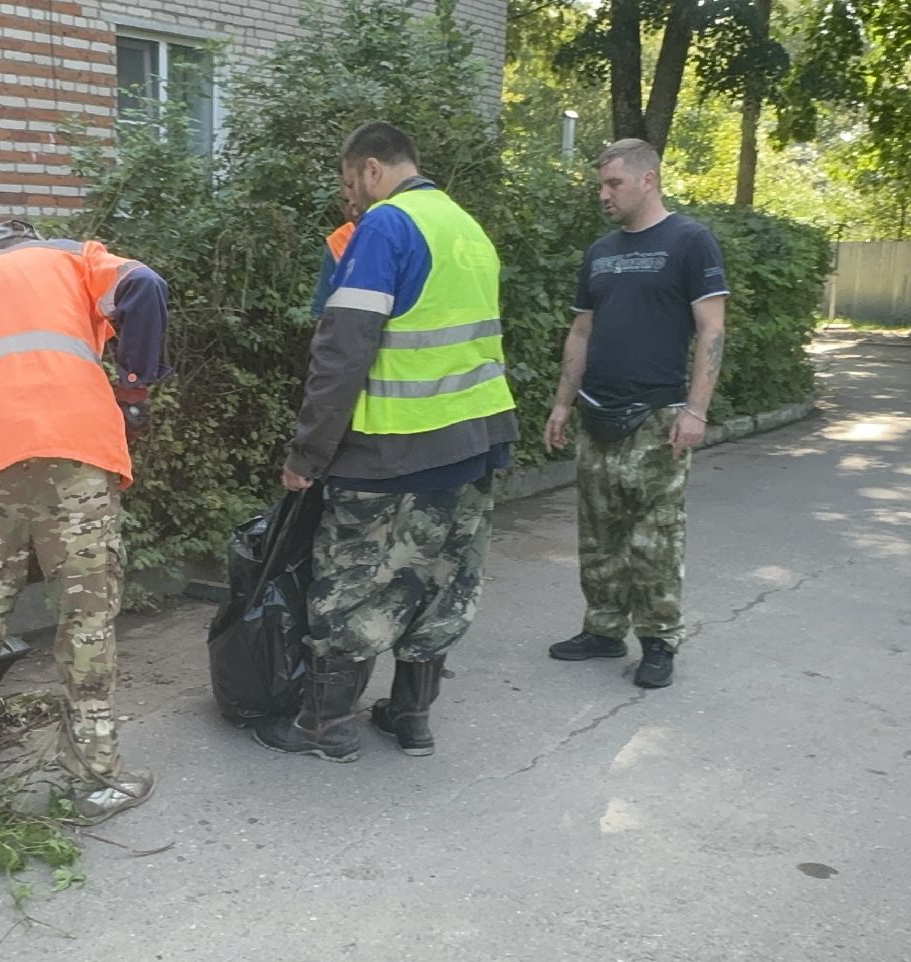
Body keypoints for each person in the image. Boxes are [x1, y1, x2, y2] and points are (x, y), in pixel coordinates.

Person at [257, 121, 520, 762]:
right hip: (477, 440)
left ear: (372, 170)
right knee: (441, 583)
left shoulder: (387, 226)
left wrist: (307, 455)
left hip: (395, 448)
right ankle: (410, 718)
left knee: (350, 587)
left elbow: (342, 351)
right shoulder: (465, 226)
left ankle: (325, 726)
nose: (353, 200)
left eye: (353, 184)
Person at [0, 219, 171, 819]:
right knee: (85, 615)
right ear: (33, 241)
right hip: (73, 449)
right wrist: (135, 389)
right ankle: (94, 778)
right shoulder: (71, 258)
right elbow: (145, 286)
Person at [542, 139, 729, 690]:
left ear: (648, 180)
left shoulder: (690, 242)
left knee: (654, 538)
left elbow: (711, 329)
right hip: (597, 413)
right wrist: (561, 402)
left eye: (613, 184)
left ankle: (657, 640)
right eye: (601, 185)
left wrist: (696, 409)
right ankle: (602, 631)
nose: (604, 194)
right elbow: (581, 332)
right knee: (598, 533)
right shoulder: (599, 252)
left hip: (658, 416)